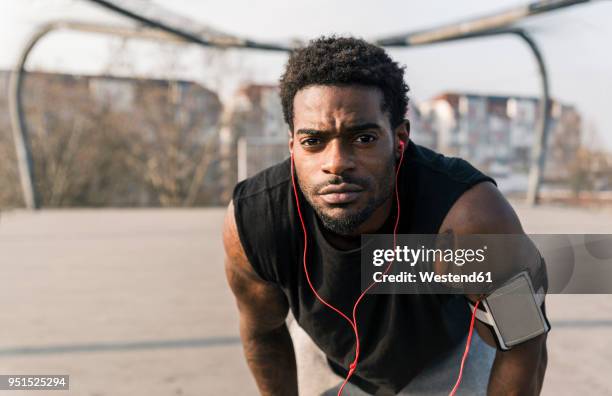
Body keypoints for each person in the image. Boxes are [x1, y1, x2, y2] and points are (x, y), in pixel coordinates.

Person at [223, 36, 548, 395]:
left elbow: (522, 339)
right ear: (293, 147)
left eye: (363, 138)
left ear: (400, 139)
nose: (335, 164)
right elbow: (263, 331)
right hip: (328, 356)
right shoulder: (256, 220)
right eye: (313, 141)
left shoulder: (470, 218)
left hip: (451, 354)